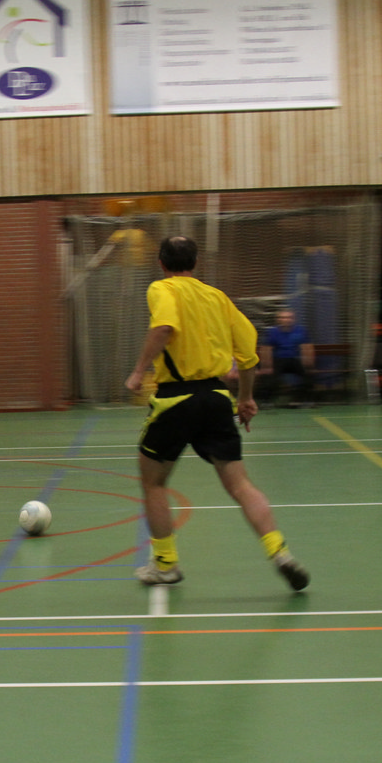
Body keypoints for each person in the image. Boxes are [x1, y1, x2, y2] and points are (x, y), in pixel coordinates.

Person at [123, 235, 309, 593]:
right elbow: (249, 352)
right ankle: (280, 552)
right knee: (240, 484)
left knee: (154, 482)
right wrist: (246, 398)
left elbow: (164, 328)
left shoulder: (162, 289)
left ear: (161, 264)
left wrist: (138, 371)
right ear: (196, 264)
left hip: (176, 399)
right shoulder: (218, 298)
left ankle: (165, 564)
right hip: (216, 398)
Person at [256, 308, 316, 406]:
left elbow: (307, 347)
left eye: (289, 317)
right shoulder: (272, 332)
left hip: (295, 359)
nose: (286, 320)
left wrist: (308, 362)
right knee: (269, 376)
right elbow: (266, 349)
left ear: (293, 319)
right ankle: (266, 401)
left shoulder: (301, 331)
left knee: (307, 374)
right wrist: (267, 366)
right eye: (283, 317)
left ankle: (307, 400)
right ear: (278, 319)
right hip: (278, 359)